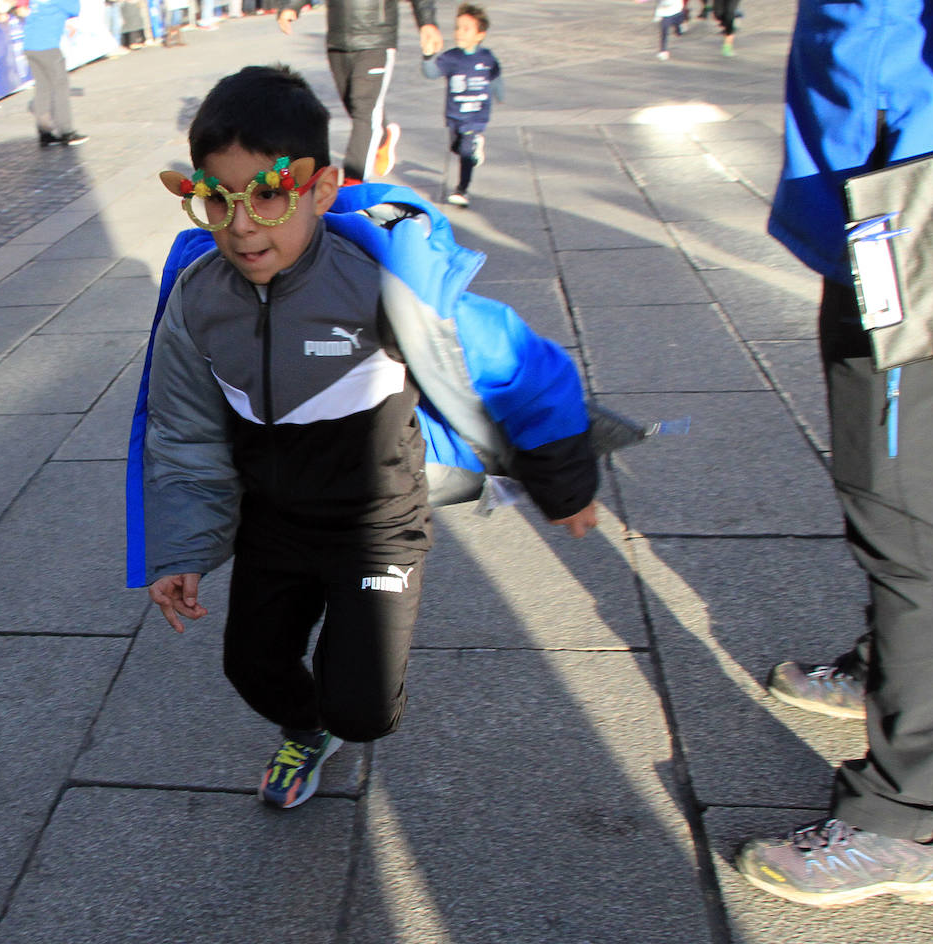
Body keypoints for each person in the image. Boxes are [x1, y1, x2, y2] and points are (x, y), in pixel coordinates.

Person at [129, 64, 600, 810]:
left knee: (364, 709)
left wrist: (564, 482)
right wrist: (182, 548)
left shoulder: (380, 282)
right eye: (217, 200)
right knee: (251, 668)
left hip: (375, 523)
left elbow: (519, 364)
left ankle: (339, 713)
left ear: (319, 190)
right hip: (273, 526)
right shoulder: (199, 301)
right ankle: (303, 728)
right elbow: (183, 433)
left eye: (269, 196)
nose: (242, 224)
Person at [735, 0, 933, 909]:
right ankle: (890, 667)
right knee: (880, 483)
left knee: (913, 516)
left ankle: (906, 819)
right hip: (874, 205)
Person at [277, 0, 442, 183]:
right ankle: (383, 136)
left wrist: (427, 23)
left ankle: (353, 182)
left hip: (376, 39)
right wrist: (292, 6)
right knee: (354, 105)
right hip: (338, 38)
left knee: (364, 110)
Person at [421, 2, 499, 207]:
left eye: (466, 29)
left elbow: (495, 75)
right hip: (455, 115)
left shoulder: (487, 58)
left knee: (464, 152)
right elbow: (431, 73)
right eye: (458, 28)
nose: (460, 33)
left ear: (480, 34)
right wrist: (428, 56)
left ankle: (462, 190)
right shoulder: (451, 57)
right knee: (456, 148)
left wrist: (499, 92)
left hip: (475, 116)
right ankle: (474, 148)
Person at [21, 0, 87, 145]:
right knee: (60, 87)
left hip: (30, 45)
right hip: (48, 46)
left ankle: (45, 133)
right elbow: (75, 9)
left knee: (42, 88)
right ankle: (66, 131)